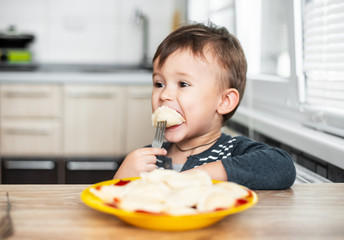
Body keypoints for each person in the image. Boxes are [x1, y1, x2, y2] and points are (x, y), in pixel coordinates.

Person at [114, 23, 296, 190]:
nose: (164, 95)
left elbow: (282, 166)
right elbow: (116, 201)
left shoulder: (232, 151)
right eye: (159, 84)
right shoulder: (151, 158)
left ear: (224, 101)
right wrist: (122, 178)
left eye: (183, 84)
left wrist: (202, 175)